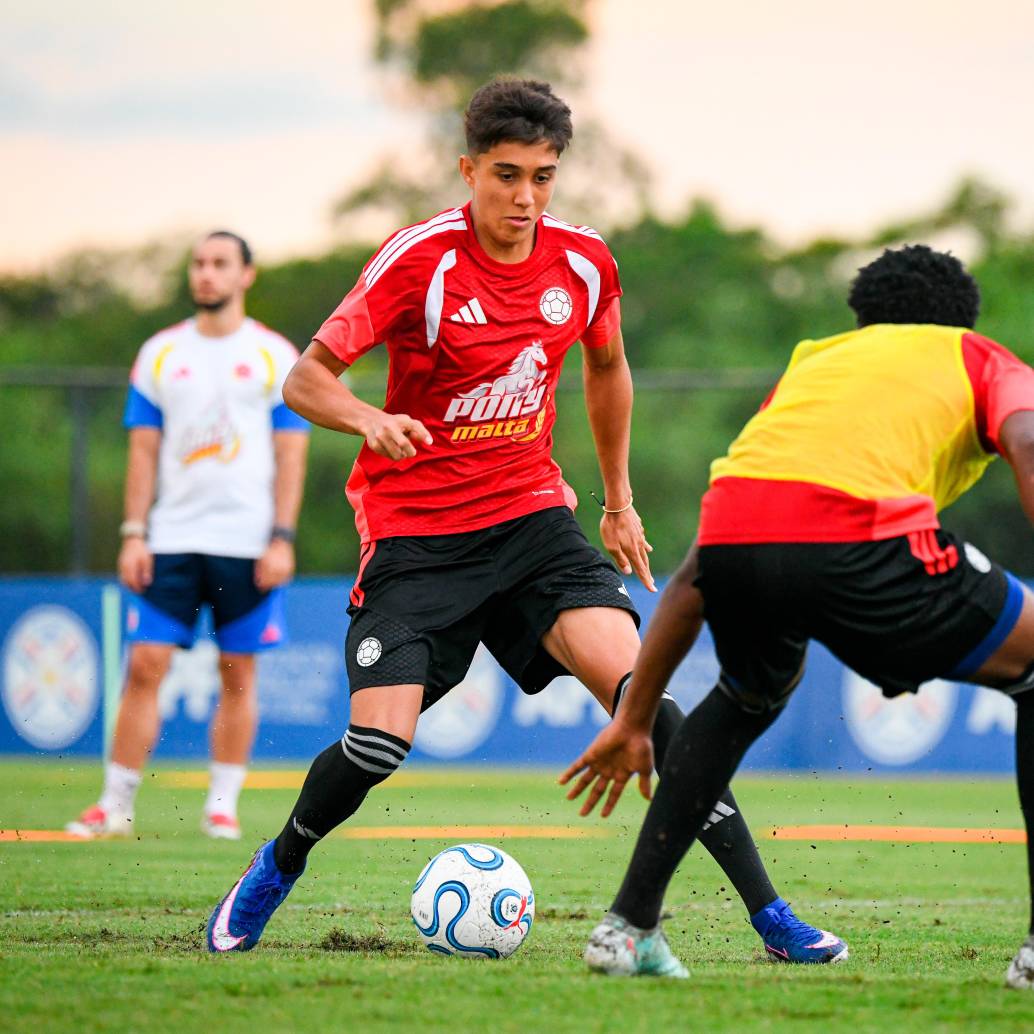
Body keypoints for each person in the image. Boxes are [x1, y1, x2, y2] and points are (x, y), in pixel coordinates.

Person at [204, 77, 841, 961]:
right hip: (417, 540)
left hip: (532, 521)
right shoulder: (416, 261)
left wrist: (618, 502)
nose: (525, 197)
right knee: (379, 745)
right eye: (506, 175)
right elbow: (305, 378)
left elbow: (608, 366)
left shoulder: (583, 262)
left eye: (543, 177)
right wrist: (369, 418)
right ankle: (276, 866)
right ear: (468, 169)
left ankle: (772, 917)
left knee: (646, 700)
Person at [561, 244, 1034, 985]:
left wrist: (633, 718)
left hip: (738, 540)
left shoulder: (813, 363)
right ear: (957, 320)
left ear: (864, 317)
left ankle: (627, 930)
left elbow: (698, 570)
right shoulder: (974, 354)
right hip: (866, 540)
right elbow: (1028, 437)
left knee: (747, 692)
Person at [67, 231, 310, 842]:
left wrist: (281, 536)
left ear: (246, 275)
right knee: (144, 664)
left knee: (238, 672)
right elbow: (142, 454)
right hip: (171, 537)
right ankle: (114, 804)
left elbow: (292, 455)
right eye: (199, 264)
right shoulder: (158, 354)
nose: (206, 274)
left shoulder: (276, 357)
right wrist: (132, 533)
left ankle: (221, 807)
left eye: (220, 264)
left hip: (248, 542)